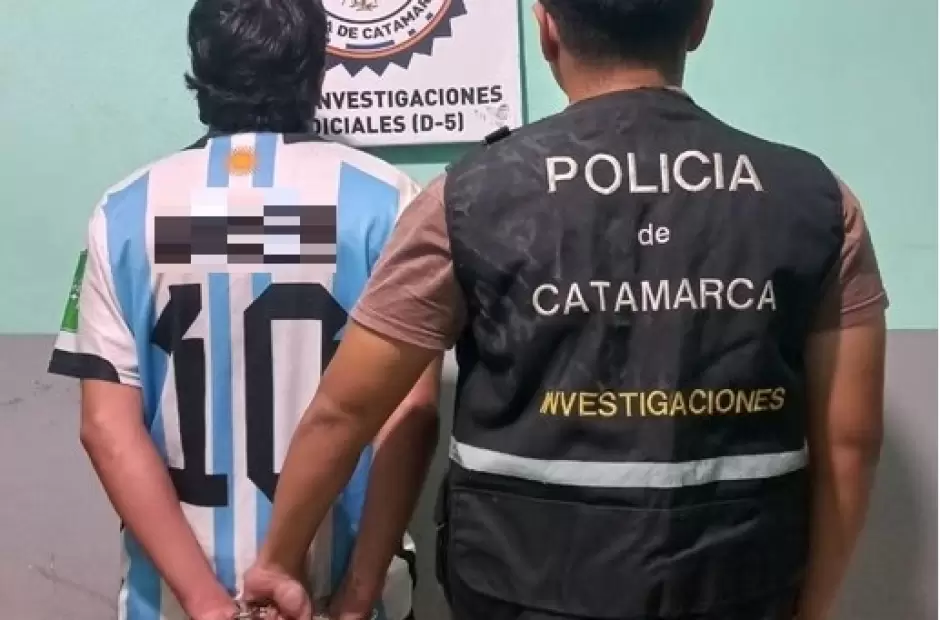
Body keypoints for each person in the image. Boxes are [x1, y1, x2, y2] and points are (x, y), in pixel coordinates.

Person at [243, 0, 888, 619]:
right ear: (700, 20)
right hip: (740, 585)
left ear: (547, 28)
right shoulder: (819, 202)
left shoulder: (465, 199)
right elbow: (851, 443)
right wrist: (812, 608)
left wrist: (278, 560)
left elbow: (345, 411)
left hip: (520, 585)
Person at [46, 0, 442, 618]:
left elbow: (105, 427)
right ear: (316, 70)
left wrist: (206, 603)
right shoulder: (390, 202)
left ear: (200, 69)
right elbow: (411, 412)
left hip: (175, 601)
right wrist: (360, 595)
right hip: (341, 591)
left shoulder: (124, 212)